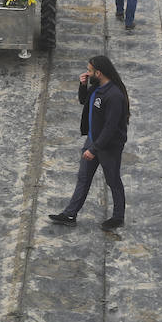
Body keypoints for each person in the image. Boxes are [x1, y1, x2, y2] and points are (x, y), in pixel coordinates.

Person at [48, 55, 129, 230]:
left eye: (90, 71)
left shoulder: (114, 95)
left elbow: (111, 127)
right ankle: (70, 214)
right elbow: (84, 100)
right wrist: (82, 85)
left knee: (113, 180)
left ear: (98, 73)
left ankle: (118, 217)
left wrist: (95, 149)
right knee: (83, 178)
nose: (87, 72)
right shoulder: (96, 88)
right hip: (93, 141)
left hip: (108, 147)